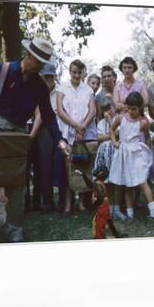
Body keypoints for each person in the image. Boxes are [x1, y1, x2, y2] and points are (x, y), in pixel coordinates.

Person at [0, 36, 69, 244]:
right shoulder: (3, 70)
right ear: (29, 55)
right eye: (39, 61)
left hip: (17, 134)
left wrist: (60, 139)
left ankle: (14, 230)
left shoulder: (39, 85)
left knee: (17, 184)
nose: (40, 66)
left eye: (44, 63)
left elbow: (49, 116)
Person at [108, 92, 154, 220]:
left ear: (140, 107)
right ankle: (130, 214)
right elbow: (111, 129)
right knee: (126, 182)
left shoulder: (143, 122)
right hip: (123, 152)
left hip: (136, 154)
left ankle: (153, 211)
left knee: (142, 181)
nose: (130, 111)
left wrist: (147, 154)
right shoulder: (120, 118)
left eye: (134, 108)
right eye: (128, 108)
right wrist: (114, 142)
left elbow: (147, 138)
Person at [56, 59, 96, 213]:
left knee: (84, 167)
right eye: (74, 72)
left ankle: (82, 202)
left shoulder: (88, 90)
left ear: (83, 73)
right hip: (68, 133)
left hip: (85, 133)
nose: (76, 75)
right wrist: (76, 125)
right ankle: (68, 203)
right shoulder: (62, 88)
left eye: (79, 72)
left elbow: (91, 111)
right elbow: (60, 110)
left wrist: (83, 126)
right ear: (69, 71)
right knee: (68, 169)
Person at [27, 62, 59, 213]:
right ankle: (31, 202)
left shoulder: (59, 93)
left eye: (50, 77)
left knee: (45, 165)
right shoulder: (34, 89)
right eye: (45, 77)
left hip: (47, 129)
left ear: (55, 77)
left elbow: (42, 114)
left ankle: (47, 202)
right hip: (30, 127)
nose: (48, 80)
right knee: (30, 166)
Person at [92, 96, 117, 214]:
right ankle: (106, 206)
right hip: (104, 153)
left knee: (115, 181)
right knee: (104, 180)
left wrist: (110, 122)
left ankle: (116, 206)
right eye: (105, 109)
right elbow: (99, 138)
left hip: (115, 153)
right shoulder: (101, 123)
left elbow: (118, 134)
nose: (108, 111)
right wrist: (110, 135)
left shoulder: (117, 119)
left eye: (109, 107)